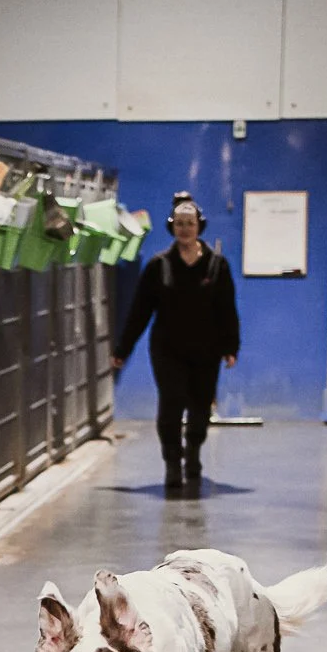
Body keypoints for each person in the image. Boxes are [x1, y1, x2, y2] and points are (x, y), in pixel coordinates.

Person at [112, 193, 240, 493]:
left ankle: (193, 452)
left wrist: (230, 347)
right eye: (179, 224)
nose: (185, 229)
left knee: (200, 407)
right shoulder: (159, 266)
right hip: (167, 350)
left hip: (206, 351)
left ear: (199, 226)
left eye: (190, 224)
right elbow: (139, 312)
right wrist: (123, 349)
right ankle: (172, 460)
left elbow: (227, 309)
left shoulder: (216, 267)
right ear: (172, 227)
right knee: (171, 404)